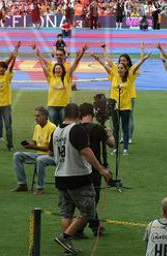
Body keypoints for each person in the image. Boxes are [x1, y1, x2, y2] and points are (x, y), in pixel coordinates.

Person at [51, 104, 112, 255]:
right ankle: (65, 237)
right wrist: (101, 169)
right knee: (88, 211)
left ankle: (68, 248)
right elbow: (86, 151)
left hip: (60, 176)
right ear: (78, 114)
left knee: (66, 213)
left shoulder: (56, 131)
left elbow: (51, 153)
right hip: (77, 176)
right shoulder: (77, 129)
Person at [91, 49, 149, 155]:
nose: (119, 69)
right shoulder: (114, 75)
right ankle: (116, 148)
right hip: (114, 107)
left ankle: (126, 149)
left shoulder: (130, 77)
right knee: (116, 128)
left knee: (125, 128)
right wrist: (97, 58)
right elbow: (105, 65)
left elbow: (136, 67)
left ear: (126, 69)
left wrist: (143, 60)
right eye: (118, 68)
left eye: (121, 68)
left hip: (126, 107)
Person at [78, 102, 115, 237]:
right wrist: (109, 133)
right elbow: (111, 144)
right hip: (95, 169)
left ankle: (87, 227)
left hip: (79, 168)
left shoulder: (75, 129)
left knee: (87, 199)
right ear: (92, 114)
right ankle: (91, 227)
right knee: (93, 199)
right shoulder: (98, 129)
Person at [33, 44, 87, 126]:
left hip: (65, 103)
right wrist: (37, 52)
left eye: (60, 55)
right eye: (57, 55)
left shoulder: (67, 71)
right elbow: (43, 64)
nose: (58, 56)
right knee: (53, 127)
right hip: (52, 104)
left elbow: (76, 62)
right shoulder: (51, 69)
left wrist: (82, 51)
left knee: (65, 125)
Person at [12, 107, 57, 195]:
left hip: (50, 155)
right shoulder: (37, 127)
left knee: (40, 160)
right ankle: (22, 184)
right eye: (35, 116)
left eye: (38, 116)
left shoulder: (52, 127)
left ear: (44, 116)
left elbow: (50, 148)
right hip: (38, 154)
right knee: (17, 155)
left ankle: (40, 187)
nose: (35, 118)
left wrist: (33, 147)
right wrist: (29, 145)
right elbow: (34, 143)